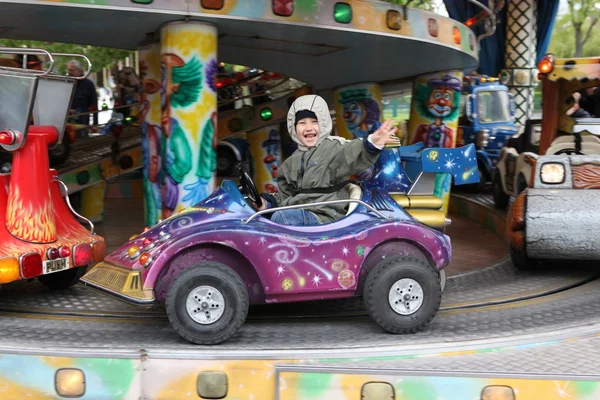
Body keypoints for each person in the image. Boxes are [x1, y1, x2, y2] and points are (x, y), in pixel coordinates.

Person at [255, 94, 400, 226]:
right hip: (299, 212)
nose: (308, 128)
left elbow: (350, 154)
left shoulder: (333, 147)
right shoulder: (290, 162)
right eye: (302, 123)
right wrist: (267, 204)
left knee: (282, 219)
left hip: (326, 214)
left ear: (323, 123)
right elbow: (285, 195)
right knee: (261, 222)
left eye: (314, 122)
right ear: (293, 127)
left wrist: (370, 144)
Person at [67, 59, 98, 125]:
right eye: (69, 70)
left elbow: (94, 104)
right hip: (66, 120)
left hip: (83, 120)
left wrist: (95, 123)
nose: (69, 72)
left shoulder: (88, 84)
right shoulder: (65, 82)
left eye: (72, 70)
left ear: (79, 70)